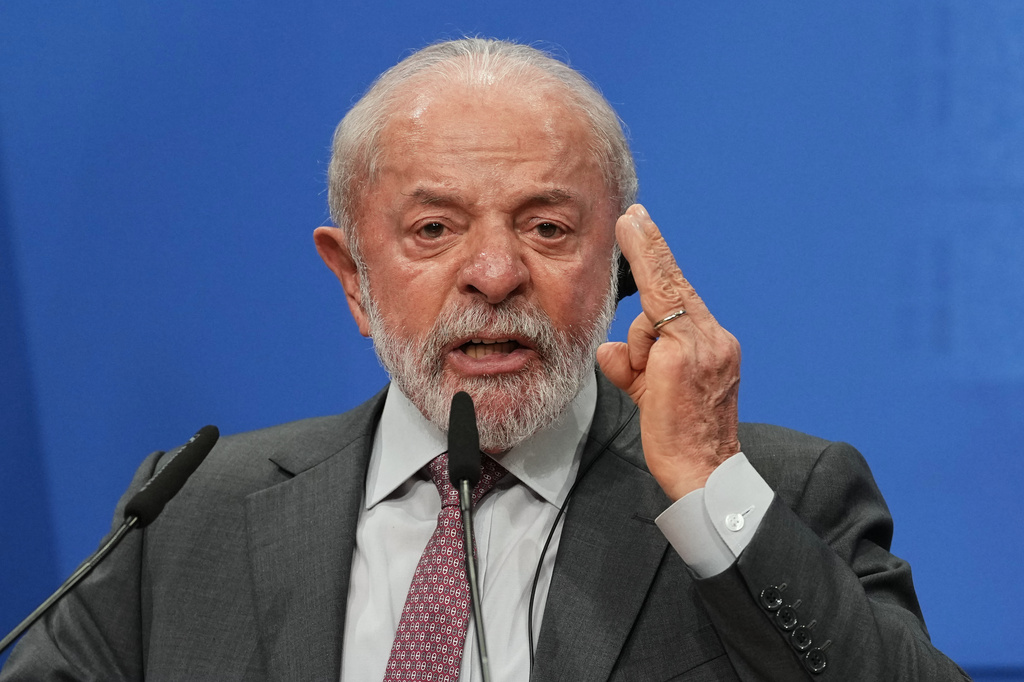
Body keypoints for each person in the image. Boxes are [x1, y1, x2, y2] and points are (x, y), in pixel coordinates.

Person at [1, 38, 969, 681]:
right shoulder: (189, 508)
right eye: (433, 228)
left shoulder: (778, 492)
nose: (496, 273)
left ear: (616, 268)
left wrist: (709, 484)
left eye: (547, 227)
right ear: (352, 277)